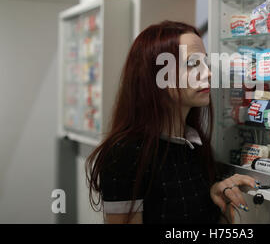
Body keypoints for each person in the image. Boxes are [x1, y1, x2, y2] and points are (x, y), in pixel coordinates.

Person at [86, 20, 258, 224]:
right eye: (192, 64)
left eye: (205, 62)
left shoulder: (193, 144)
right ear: (155, 76)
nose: (208, 73)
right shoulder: (126, 153)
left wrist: (215, 198)